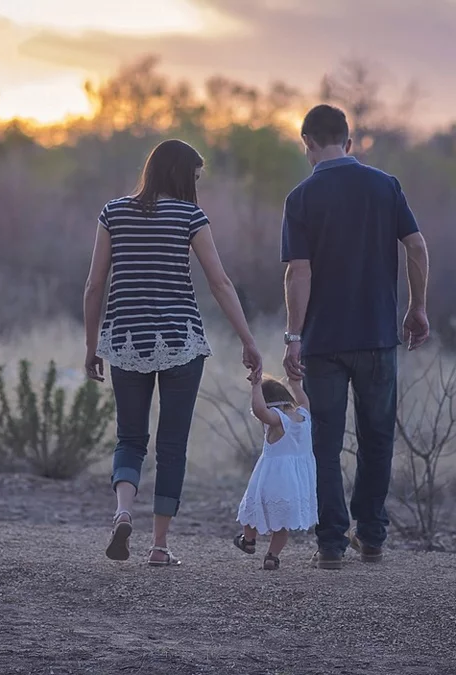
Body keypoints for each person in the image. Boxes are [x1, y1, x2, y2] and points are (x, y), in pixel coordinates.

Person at [83, 138, 262, 567]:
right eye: (195, 177)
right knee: (172, 445)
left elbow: (94, 285)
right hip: (181, 341)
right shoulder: (190, 216)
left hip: (125, 341)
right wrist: (248, 339)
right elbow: (219, 283)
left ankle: (123, 511)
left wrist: (92, 346)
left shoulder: (113, 212)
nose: (196, 186)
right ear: (182, 175)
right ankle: (159, 546)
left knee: (130, 437)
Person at [280, 104, 431, 570]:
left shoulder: (301, 197)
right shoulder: (386, 186)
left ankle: (330, 544)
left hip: (324, 342)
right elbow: (417, 246)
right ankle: (372, 536)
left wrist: (293, 335)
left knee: (325, 442)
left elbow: (297, 273)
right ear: (349, 141)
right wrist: (417, 307)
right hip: (378, 337)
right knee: (377, 437)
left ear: (306, 143)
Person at [233, 372, 317, 571]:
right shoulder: (304, 415)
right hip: (296, 482)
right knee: (282, 523)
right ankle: (272, 556)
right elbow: (304, 400)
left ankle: (249, 540)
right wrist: (295, 384)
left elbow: (260, 410)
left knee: (252, 509)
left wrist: (255, 387)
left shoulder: (277, 420)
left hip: (272, 478)